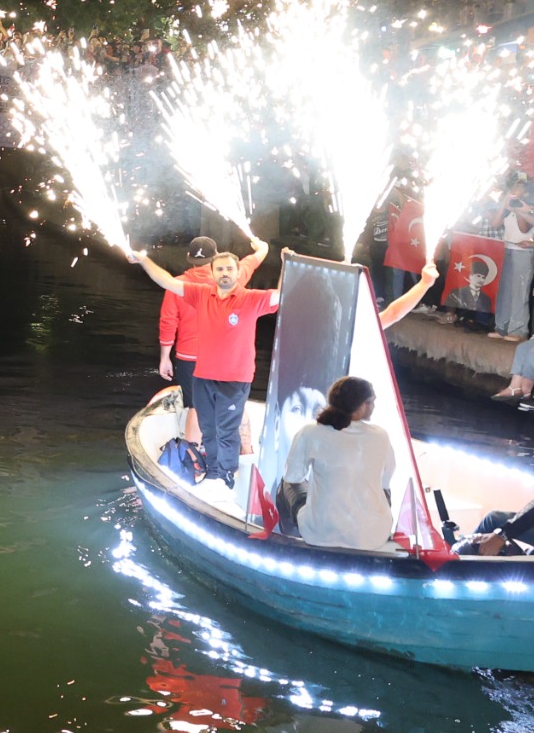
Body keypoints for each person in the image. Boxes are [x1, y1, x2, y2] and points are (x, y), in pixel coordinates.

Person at [129, 236, 276, 489]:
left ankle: (220, 470)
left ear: (236, 271)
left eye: (230, 269)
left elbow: (282, 296)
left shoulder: (248, 297)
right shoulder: (202, 293)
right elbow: (166, 281)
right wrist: (142, 260)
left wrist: (289, 264)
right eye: (220, 269)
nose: (225, 273)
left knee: (220, 424)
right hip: (204, 371)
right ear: (212, 270)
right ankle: (220, 462)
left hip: (223, 371)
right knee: (211, 424)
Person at [278, 376, 397, 551]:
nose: (374, 406)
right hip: (374, 535)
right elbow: (385, 482)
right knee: (382, 490)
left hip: (320, 533)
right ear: (361, 406)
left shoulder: (310, 433)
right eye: (371, 402)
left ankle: (285, 542)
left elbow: (293, 476)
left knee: (286, 485)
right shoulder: (381, 436)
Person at [157, 236, 219, 446]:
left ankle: (193, 455)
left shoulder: (176, 285)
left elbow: (168, 322)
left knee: (195, 406)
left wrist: (165, 358)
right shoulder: (227, 284)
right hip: (222, 356)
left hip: (188, 356)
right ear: (216, 257)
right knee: (224, 402)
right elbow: (250, 265)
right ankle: (240, 454)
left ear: (188, 257)